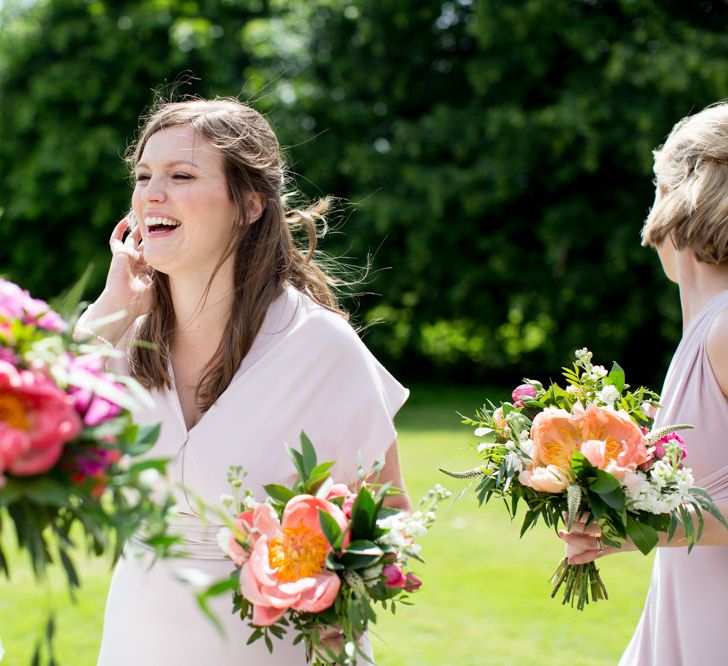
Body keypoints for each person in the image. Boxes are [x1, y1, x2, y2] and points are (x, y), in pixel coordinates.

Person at [78, 97, 411, 665]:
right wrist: (112, 306)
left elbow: (393, 511)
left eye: (180, 175)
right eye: (143, 176)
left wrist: (344, 597)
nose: (151, 193)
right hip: (138, 637)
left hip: (275, 646)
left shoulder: (320, 347)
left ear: (250, 205)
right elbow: (29, 440)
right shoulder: (117, 335)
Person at [559, 103, 728, 665]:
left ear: (684, 194)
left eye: (656, 187)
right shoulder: (704, 331)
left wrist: (643, 528)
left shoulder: (727, 328)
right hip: (683, 609)